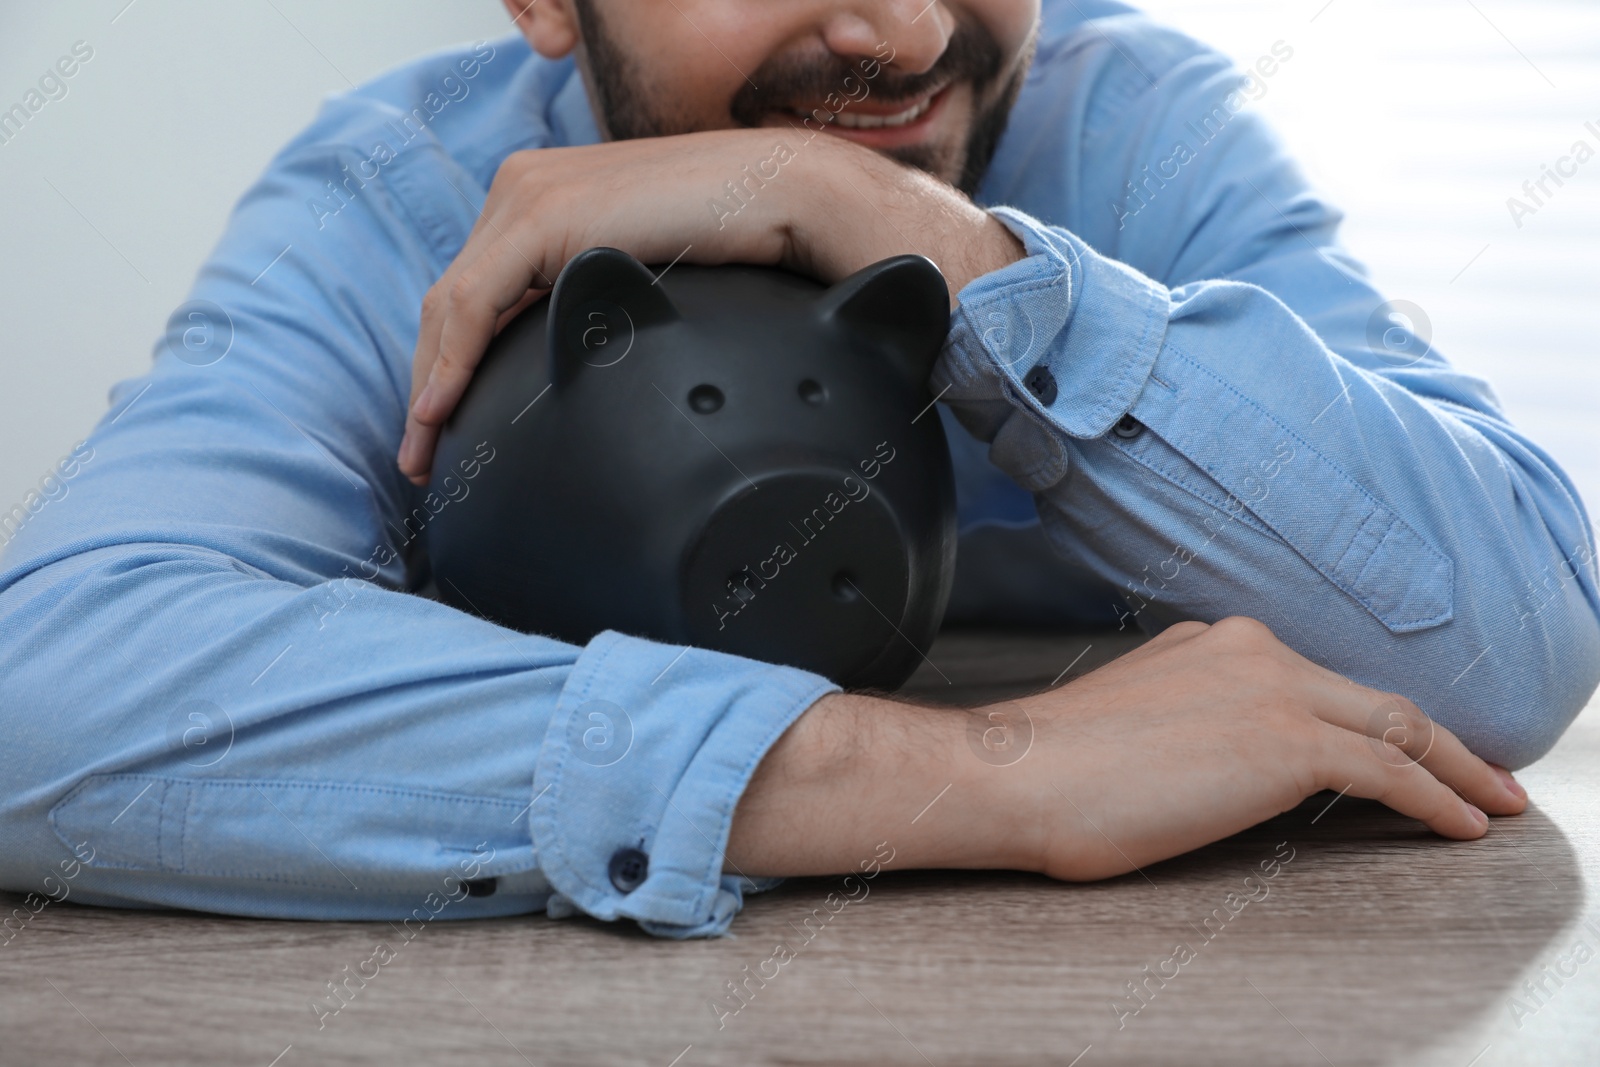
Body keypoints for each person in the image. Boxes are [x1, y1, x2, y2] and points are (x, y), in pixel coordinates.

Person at [0, 0, 1593, 937]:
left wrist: (922, 240)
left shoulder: (1132, 132)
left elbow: (1509, 640)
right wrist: (979, 776)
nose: (904, 38)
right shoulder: (401, 201)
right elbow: (47, 700)